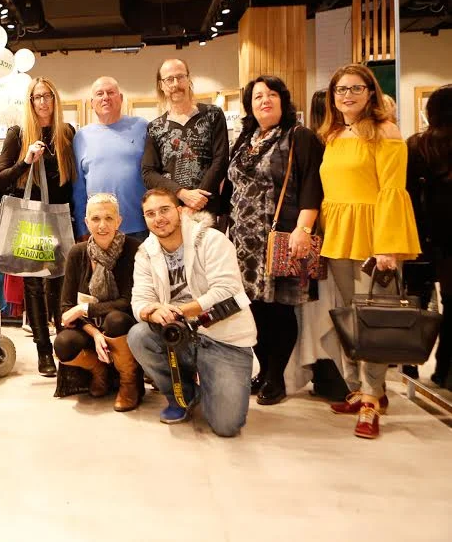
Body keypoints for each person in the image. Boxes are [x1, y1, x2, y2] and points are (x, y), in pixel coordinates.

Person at [317, 64, 420, 439]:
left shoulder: (385, 131)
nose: (347, 95)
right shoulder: (331, 134)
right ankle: (361, 389)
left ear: (370, 92)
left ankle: (372, 400)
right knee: (350, 317)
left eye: (355, 88)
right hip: (338, 235)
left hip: (374, 238)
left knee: (373, 320)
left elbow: (393, 190)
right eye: (340, 89)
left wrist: (387, 247)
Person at [127, 188, 257, 437]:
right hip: (181, 336)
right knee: (139, 335)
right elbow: (139, 301)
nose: (158, 218)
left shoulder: (212, 240)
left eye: (164, 210)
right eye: (150, 214)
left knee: (226, 426)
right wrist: (153, 312)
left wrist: (179, 310)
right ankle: (183, 395)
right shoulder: (145, 253)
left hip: (223, 337)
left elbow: (226, 290)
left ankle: (212, 384)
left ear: (179, 211)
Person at [226, 76, 324, 405]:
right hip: (243, 244)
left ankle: (275, 377)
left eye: (271, 95)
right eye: (257, 97)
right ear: (249, 105)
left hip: (281, 237)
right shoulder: (245, 139)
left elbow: (312, 185)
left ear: (283, 100)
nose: (264, 100)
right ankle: (264, 368)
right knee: (252, 309)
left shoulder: (298, 136)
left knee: (279, 310)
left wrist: (303, 229)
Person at [0, 77, 77, 377]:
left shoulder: (66, 133)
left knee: (60, 284)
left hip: (59, 216)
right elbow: (0, 179)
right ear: (30, 102)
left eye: (47, 96)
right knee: (33, 283)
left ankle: (64, 348)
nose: (43, 102)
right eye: (37, 97)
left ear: (55, 99)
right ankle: (44, 351)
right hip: (30, 220)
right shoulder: (18, 134)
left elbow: (73, 181)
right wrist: (26, 161)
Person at [54, 194, 142, 410]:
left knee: (116, 319)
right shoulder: (77, 252)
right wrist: (94, 333)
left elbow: (128, 302)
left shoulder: (134, 250)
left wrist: (84, 308)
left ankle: (128, 382)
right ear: (86, 222)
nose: (102, 225)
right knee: (63, 345)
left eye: (109, 218)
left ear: (119, 221)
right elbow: (66, 308)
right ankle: (99, 371)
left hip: (121, 327)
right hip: (89, 327)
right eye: (95, 219)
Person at [407, 85, 452, 388]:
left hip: (421, 236)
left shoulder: (417, 145)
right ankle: (445, 371)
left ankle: (409, 361)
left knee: (416, 302)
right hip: (449, 240)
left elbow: (406, 194)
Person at [142, 59, 229, 215]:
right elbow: (149, 173)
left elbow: (220, 160)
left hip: (207, 210)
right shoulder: (155, 127)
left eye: (180, 77)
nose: (176, 84)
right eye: (169, 79)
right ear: (161, 85)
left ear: (189, 79)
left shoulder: (212, 115)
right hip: (172, 212)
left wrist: (197, 200)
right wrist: (181, 193)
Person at [71, 77, 149, 240]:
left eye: (111, 92)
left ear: (121, 98)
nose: (105, 97)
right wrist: (82, 228)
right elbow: (78, 187)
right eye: (100, 94)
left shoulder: (142, 127)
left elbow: (154, 172)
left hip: (139, 226)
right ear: (92, 103)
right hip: (99, 229)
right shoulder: (81, 136)